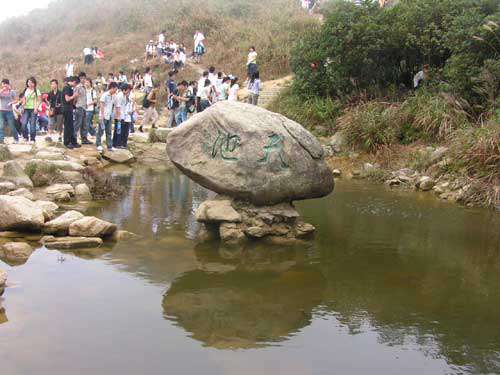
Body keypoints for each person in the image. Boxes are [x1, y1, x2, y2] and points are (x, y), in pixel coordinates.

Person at [97, 81, 120, 152]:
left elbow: (117, 105)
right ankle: (98, 145)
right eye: (115, 89)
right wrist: (102, 115)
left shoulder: (114, 96)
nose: (116, 91)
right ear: (112, 88)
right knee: (100, 131)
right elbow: (101, 105)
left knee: (109, 131)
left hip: (109, 116)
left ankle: (109, 146)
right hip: (103, 116)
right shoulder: (105, 95)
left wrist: (118, 115)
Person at [21, 77, 41, 144]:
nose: (30, 83)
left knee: (32, 125)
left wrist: (36, 108)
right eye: (28, 82)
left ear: (34, 83)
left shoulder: (36, 90)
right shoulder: (25, 90)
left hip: (33, 109)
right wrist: (23, 107)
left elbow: (39, 100)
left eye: (31, 82)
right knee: (24, 124)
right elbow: (24, 99)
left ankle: (32, 139)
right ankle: (25, 137)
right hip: (26, 109)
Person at [62, 76, 80, 149]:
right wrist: (74, 96)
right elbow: (67, 99)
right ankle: (66, 142)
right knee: (67, 126)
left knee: (71, 126)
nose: (75, 86)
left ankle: (73, 141)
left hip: (70, 109)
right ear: (74, 82)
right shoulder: (66, 87)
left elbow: (71, 101)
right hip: (66, 109)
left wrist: (75, 98)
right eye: (76, 84)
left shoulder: (70, 88)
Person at [0, 79, 19, 144]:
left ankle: (16, 139)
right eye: (2, 84)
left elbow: (16, 100)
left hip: (9, 111)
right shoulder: (1, 91)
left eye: (5, 84)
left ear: (8, 84)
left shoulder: (12, 92)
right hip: (1, 111)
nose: (4, 85)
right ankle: (1, 140)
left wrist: (11, 103)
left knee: (12, 126)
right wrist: (2, 90)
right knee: (1, 126)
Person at [73, 77, 90, 144]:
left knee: (84, 124)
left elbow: (84, 98)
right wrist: (75, 104)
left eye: (84, 78)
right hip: (79, 107)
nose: (83, 80)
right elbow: (75, 96)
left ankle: (84, 139)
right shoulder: (78, 87)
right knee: (77, 124)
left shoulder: (84, 87)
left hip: (84, 107)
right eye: (82, 78)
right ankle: (73, 139)